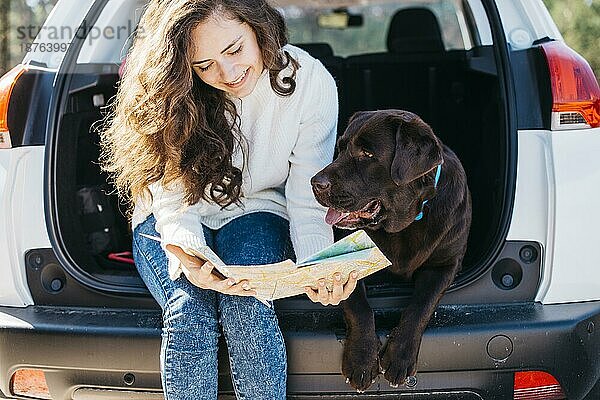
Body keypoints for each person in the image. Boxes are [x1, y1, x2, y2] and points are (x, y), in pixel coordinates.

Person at [99, 0, 358, 399]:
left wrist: (317, 267)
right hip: (174, 214)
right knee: (190, 309)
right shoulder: (173, 92)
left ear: (258, 26)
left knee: (248, 306)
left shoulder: (310, 83)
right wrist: (186, 251)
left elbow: (308, 195)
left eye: (234, 50)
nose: (228, 73)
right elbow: (168, 195)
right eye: (204, 65)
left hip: (258, 206)